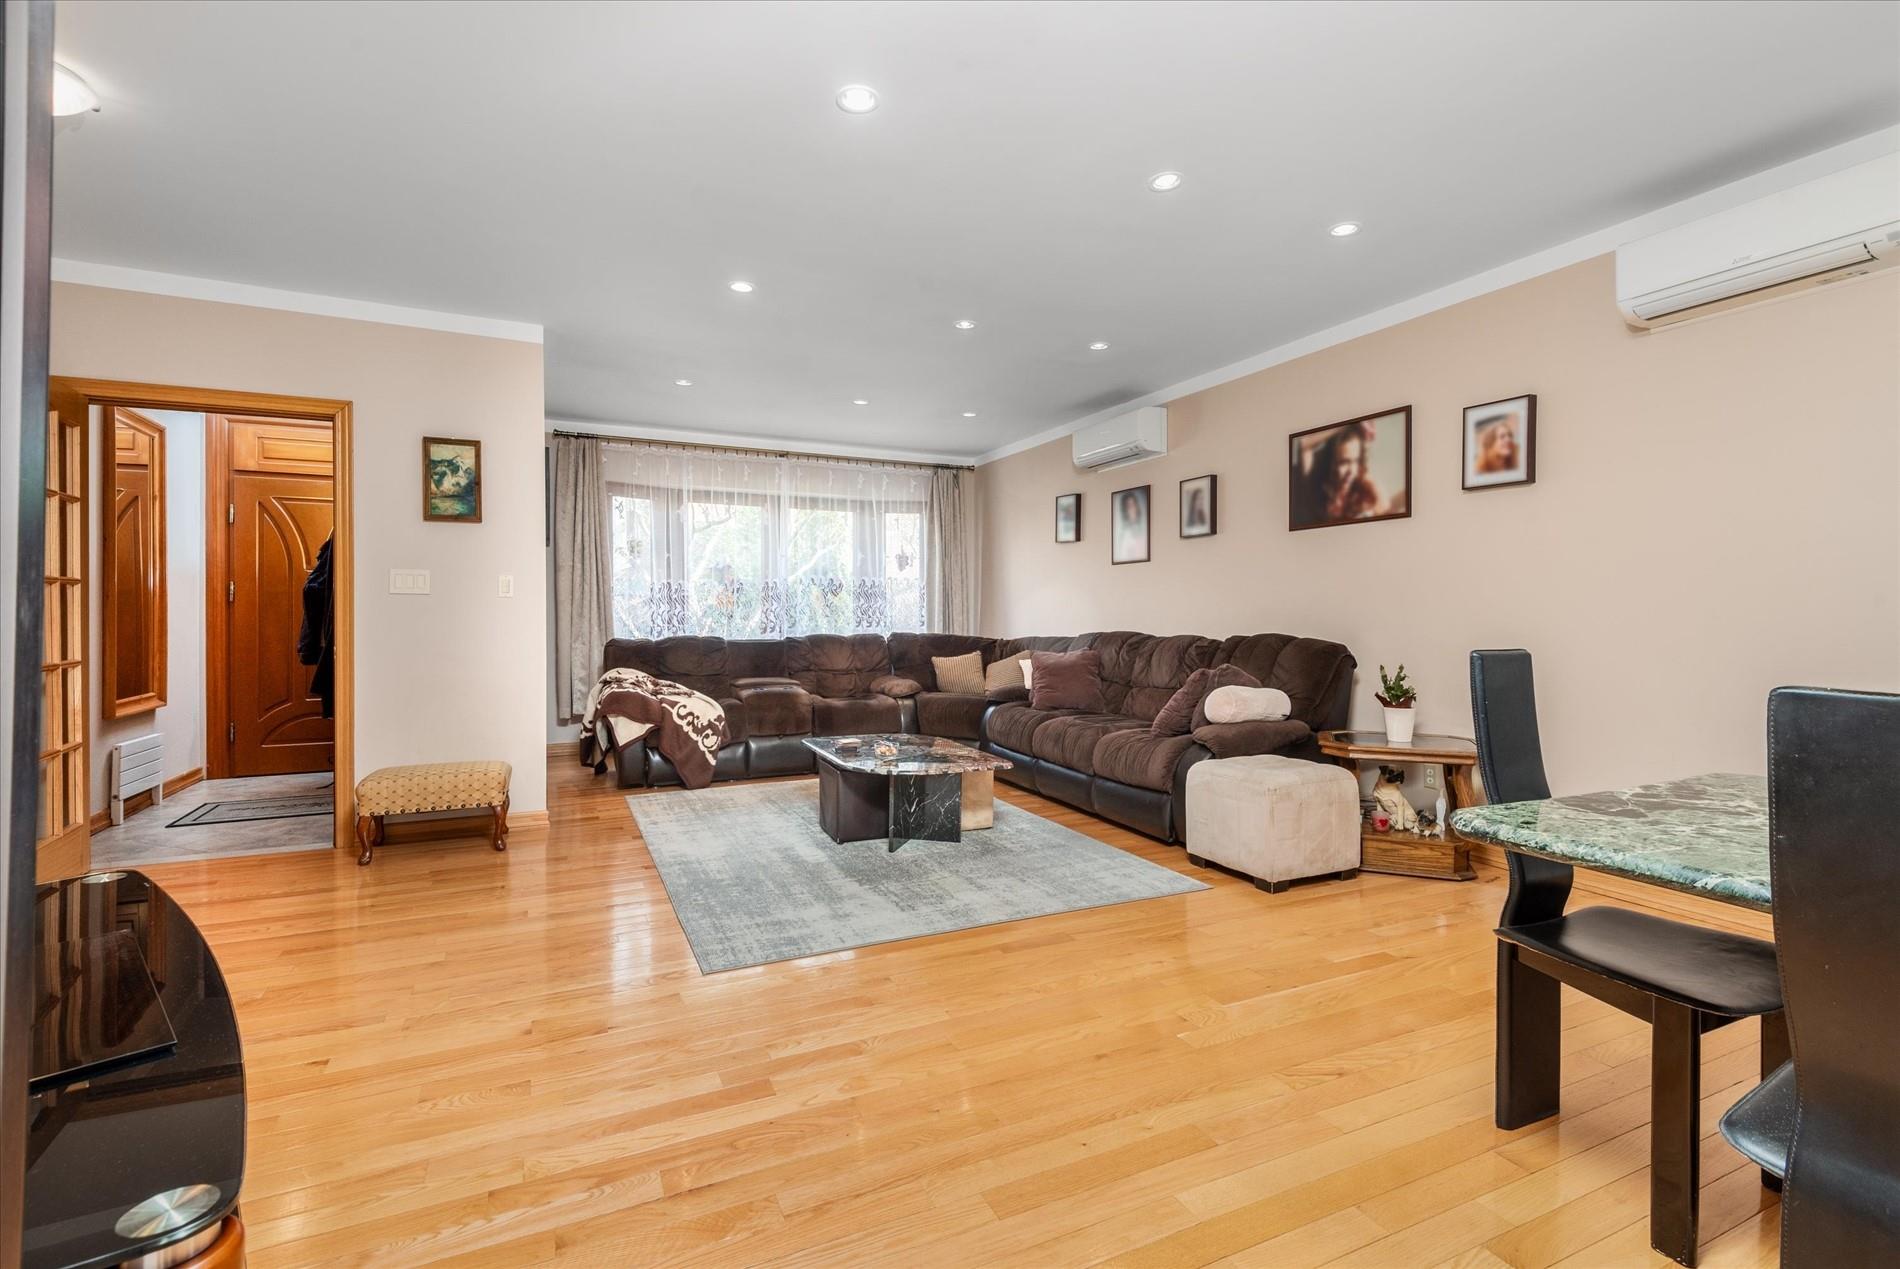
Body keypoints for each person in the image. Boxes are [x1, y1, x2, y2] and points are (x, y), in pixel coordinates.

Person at [1293, 421, 1382, 526]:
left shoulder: (1366, 489)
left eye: (1356, 461)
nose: (1351, 471)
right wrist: (1348, 423)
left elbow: (1388, 511)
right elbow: (1304, 444)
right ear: (1331, 462)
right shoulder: (1315, 487)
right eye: (1344, 462)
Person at [1113, 488, 1147, 561]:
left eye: (1134, 504)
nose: (1133, 508)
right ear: (1125, 510)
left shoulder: (1143, 527)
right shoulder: (1125, 532)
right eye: (1129, 506)